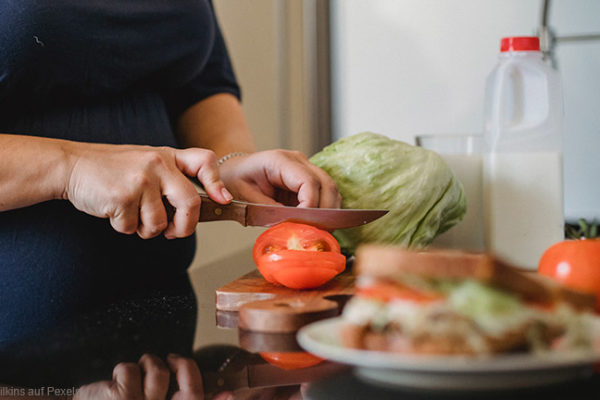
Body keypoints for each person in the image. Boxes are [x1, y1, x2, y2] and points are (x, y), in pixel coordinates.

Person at [0, 0, 341, 390]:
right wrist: (71, 167)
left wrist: (228, 162)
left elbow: (201, 83)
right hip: (17, 356)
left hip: (163, 338)